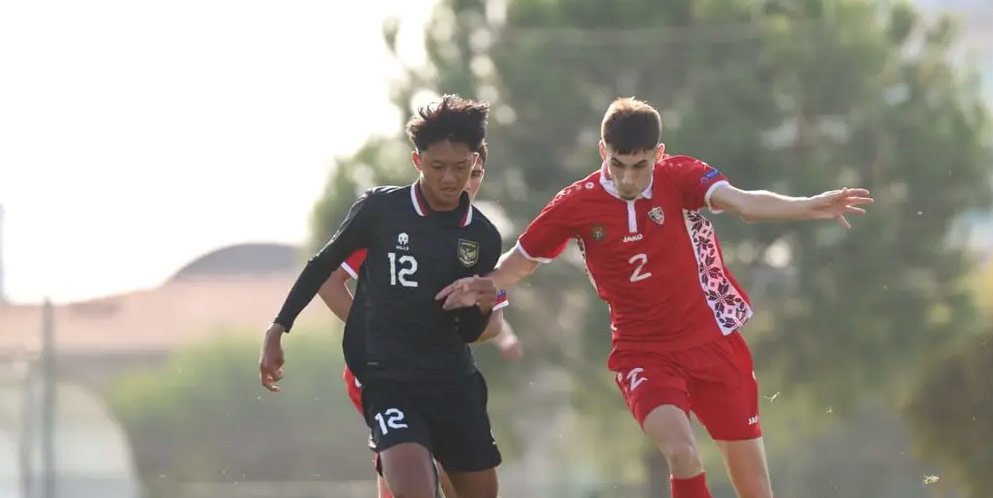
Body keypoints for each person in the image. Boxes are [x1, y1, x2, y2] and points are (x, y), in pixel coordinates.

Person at [436, 97, 874, 498]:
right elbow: (523, 260)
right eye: (618, 163)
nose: (627, 177)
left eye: (640, 165)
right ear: (601, 151)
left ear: (658, 155)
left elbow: (743, 203)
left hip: (713, 343)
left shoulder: (681, 176)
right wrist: (485, 284)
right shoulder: (576, 203)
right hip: (643, 352)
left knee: (756, 489)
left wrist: (809, 205)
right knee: (682, 453)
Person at [260, 94, 506, 498]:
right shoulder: (381, 210)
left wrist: (478, 305)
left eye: (461, 168)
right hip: (389, 381)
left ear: (475, 162)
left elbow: (469, 331)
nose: (449, 179)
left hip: (454, 385)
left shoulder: (482, 237)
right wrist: (278, 326)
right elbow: (323, 265)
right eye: (437, 167)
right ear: (417, 161)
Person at [317, 142, 522, 498]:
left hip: (441, 375)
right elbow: (329, 281)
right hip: (383, 372)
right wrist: (382, 327)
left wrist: (478, 312)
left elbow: (494, 324)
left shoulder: (477, 240)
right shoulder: (393, 225)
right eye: (448, 169)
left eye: (472, 174)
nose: (461, 182)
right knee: (416, 465)